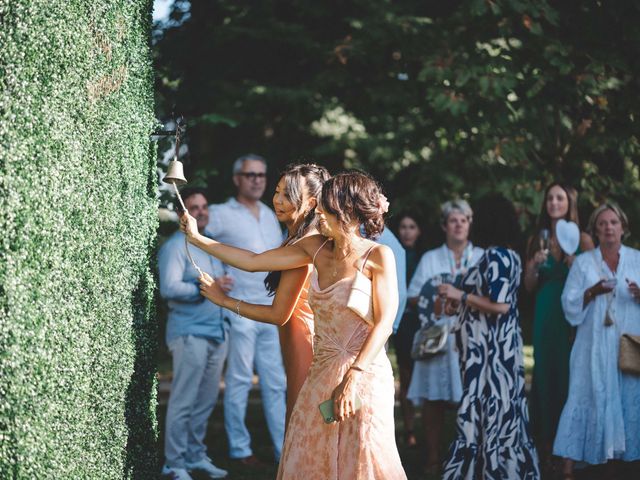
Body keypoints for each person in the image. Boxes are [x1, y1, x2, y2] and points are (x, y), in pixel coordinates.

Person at [181, 171, 407, 479]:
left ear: (347, 212)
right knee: (308, 454)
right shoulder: (312, 247)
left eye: (326, 208)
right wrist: (198, 239)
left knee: (363, 458)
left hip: (365, 374)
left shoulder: (380, 255)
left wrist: (353, 378)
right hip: (321, 372)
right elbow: (253, 260)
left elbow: (384, 323)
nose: (319, 213)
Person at [199, 163, 330, 426]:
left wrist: (224, 300)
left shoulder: (307, 245)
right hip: (295, 338)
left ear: (312, 203)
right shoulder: (296, 237)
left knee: (305, 423)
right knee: (303, 419)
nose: (278, 200)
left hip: (305, 341)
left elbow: (256, 267)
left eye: (288, 195)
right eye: (278, 192)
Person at [438, 195, 540, 480]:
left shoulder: (497, 255)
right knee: (495, 412)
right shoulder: (507, 254)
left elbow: (501, 304)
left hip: (491, 356)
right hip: (492, 351)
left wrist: (461, 294)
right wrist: (459, 301)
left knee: (488, 411)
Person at [205, 154, 286, 466]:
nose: (256, 180)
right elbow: (197, 244)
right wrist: (214, 278)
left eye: (261, 175)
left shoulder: (269, 214)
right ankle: (240, 449)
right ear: (237, 178)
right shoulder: (220, 214)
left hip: (270, 309)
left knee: (276, 381)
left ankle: (283, 449)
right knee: (238, 379)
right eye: (250, 174)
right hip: (238, 310)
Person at [553, 202, 640, 480]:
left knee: (624, 398)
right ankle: (567, 469)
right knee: (581, 396)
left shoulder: (637, 259)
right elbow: (568, 304)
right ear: (595, 230)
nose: (608, 228)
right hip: (591, 346)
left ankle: (614, 464)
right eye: (602, 224)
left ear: (623, 228)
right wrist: (591, 291)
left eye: (613, 222)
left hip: (626, 344)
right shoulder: (583, 262)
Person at [158, 188, 232, 480]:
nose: (200, 211)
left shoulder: (211, 245)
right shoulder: (176, 247)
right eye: (193, 207)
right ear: (181, 214)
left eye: (203, 206)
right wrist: (206, 290)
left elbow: (216, 286)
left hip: (216, 332)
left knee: (204, 401)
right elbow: (169, 288)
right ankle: (174, 463)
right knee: (184, 400)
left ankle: (195, 454)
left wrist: (222, 287)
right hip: (189, 334)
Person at [405, 200, 484, 473]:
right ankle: (433, 456)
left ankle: (472, 456)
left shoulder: (482, 257)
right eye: (453, 220)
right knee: (434, 399)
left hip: (473, 338)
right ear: (444, 226)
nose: (458, 224)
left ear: (470, 223)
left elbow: (491, 298)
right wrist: (436, 299)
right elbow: (413, 296)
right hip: (438, 338)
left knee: (474, 399)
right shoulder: (430, 258)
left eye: (463, 219)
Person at [523, 183, 593, 474]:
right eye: (550, 198)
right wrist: (534, 266)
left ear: (569, 202)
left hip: (572, 313)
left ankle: (572, 446)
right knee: (545, 373)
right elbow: (528, 288)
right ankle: (546, 444)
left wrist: (578, 264)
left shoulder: (584, 240)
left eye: (559, 197)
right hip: (545, 311)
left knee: (571, 373)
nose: (553, 202)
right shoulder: (537, 240)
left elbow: (595, 280)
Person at [391, 212, 426, 448]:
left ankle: (425, 426)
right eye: (403, 226)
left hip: (423, 320)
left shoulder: (425, 258)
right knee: (405, 374)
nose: (406, 231)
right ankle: (410, 428)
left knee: (422, 373)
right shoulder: (391, 254)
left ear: (419, 231)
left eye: (412, 226)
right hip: (402, 321)